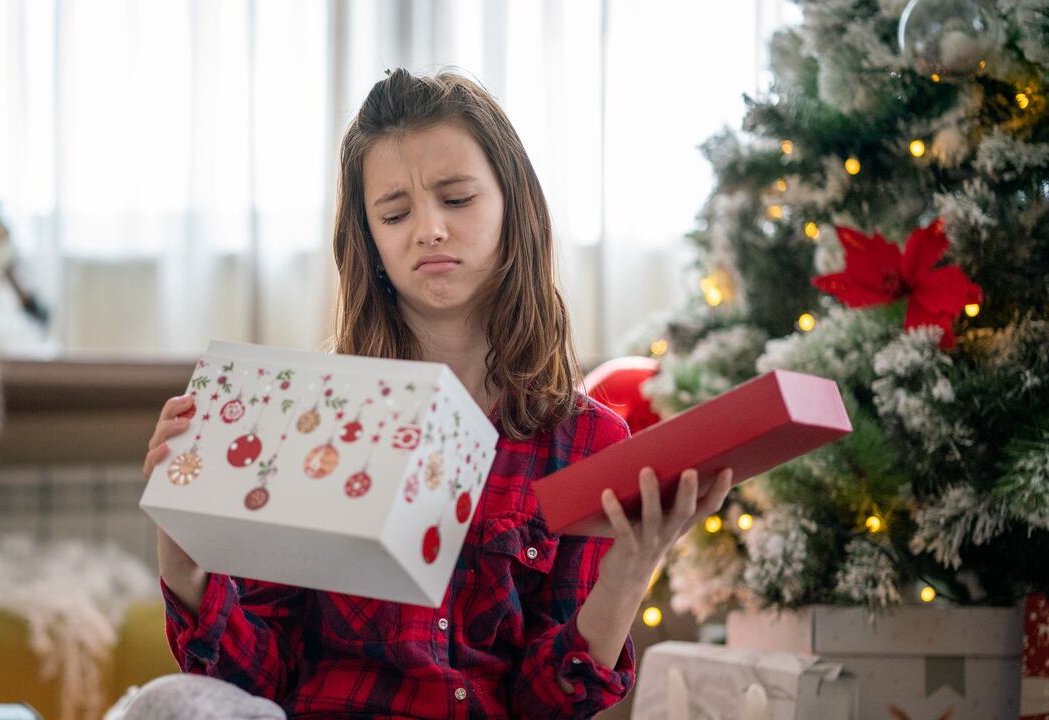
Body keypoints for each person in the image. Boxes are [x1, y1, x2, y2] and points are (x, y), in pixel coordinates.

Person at [141, 67, 733, 719]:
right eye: (395, 213)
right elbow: (257, 682)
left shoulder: (587, 441)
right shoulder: (314, 416)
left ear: (513, 206)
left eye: (456, 199)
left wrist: (627, 576)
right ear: (369, 238)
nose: (428, 230)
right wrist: (186, 571)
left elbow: (548, 706)